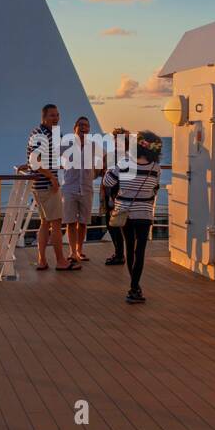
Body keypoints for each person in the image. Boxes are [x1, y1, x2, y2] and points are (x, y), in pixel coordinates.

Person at [102, 131, 162, 304]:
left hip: (125, 211)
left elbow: (107, 182)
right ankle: (135, 287)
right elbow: (155, 187)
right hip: (144, 212)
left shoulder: (124, 162)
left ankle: (134, 287)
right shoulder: (155, 167)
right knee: (140, 250)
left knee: (130, 248)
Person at [25, 103, 73, 271]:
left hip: (39, 185)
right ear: (44, 118)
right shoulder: (42, 134)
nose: (56, 118)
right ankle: (60, 261)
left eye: (57, 115)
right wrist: (52, 176)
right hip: (46, 185)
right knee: (56, 223)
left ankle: (42, 260)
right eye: (52, 115)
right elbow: (36, 161)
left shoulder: (45, 133)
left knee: (45, 223)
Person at [61, 116, 100, 264]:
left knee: (83, 222)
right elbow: (50, 157)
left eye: (86, 126)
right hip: (69, 188)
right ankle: (72, 252)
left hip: (87, 188)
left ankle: (79, 250)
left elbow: (103, 163)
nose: (83, 128)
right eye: (80, 125)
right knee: (71, 221)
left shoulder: (94, 147)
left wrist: (94, 174)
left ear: (89, 129)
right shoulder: (67, 145)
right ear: (74, 128)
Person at [100, 127, 129, 266]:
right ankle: (119, 253)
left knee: (115, 225)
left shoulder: (123, 157)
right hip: (110, 193)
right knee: (113, 225)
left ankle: (119, 255)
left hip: (117, 194)